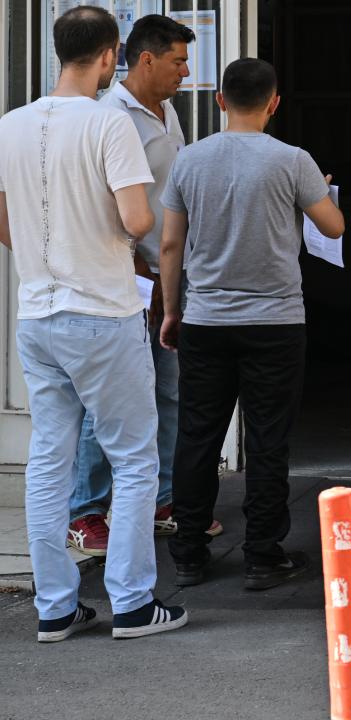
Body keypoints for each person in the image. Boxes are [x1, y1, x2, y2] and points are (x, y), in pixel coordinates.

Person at [0, 5, 188, 641]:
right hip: (103, 311)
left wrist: (43, 245)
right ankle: (131, 602)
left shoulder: (11, 124)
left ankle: (55, 607)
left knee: (48, 461)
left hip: (37, 313)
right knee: (134, 460)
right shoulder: (109, 122)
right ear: (110, 56)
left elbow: (4, 218)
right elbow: (138, 220)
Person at [158, 58, 344, 590]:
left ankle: (189, 553)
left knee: (197, 436)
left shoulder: (190, 160)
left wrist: (172, 311)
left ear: (220, 100)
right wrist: (317, 190)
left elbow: (170, 244)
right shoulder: (293, 160)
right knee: (267, 439)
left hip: (205, 319)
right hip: (275, 323)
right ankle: (263, 555)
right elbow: (334, 225)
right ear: (274, 103)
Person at [67, 13, 224, 558]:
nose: (186, 72)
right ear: (147, 59)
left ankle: (163, 500)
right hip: (126, 278)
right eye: (178, 61)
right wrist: (140, 269)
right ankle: (85, 512)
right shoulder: (111, 117)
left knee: (170, 391)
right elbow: (105, 204)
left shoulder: (167, 111)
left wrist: (170, 275)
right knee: (109, 398)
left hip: (169, 275)